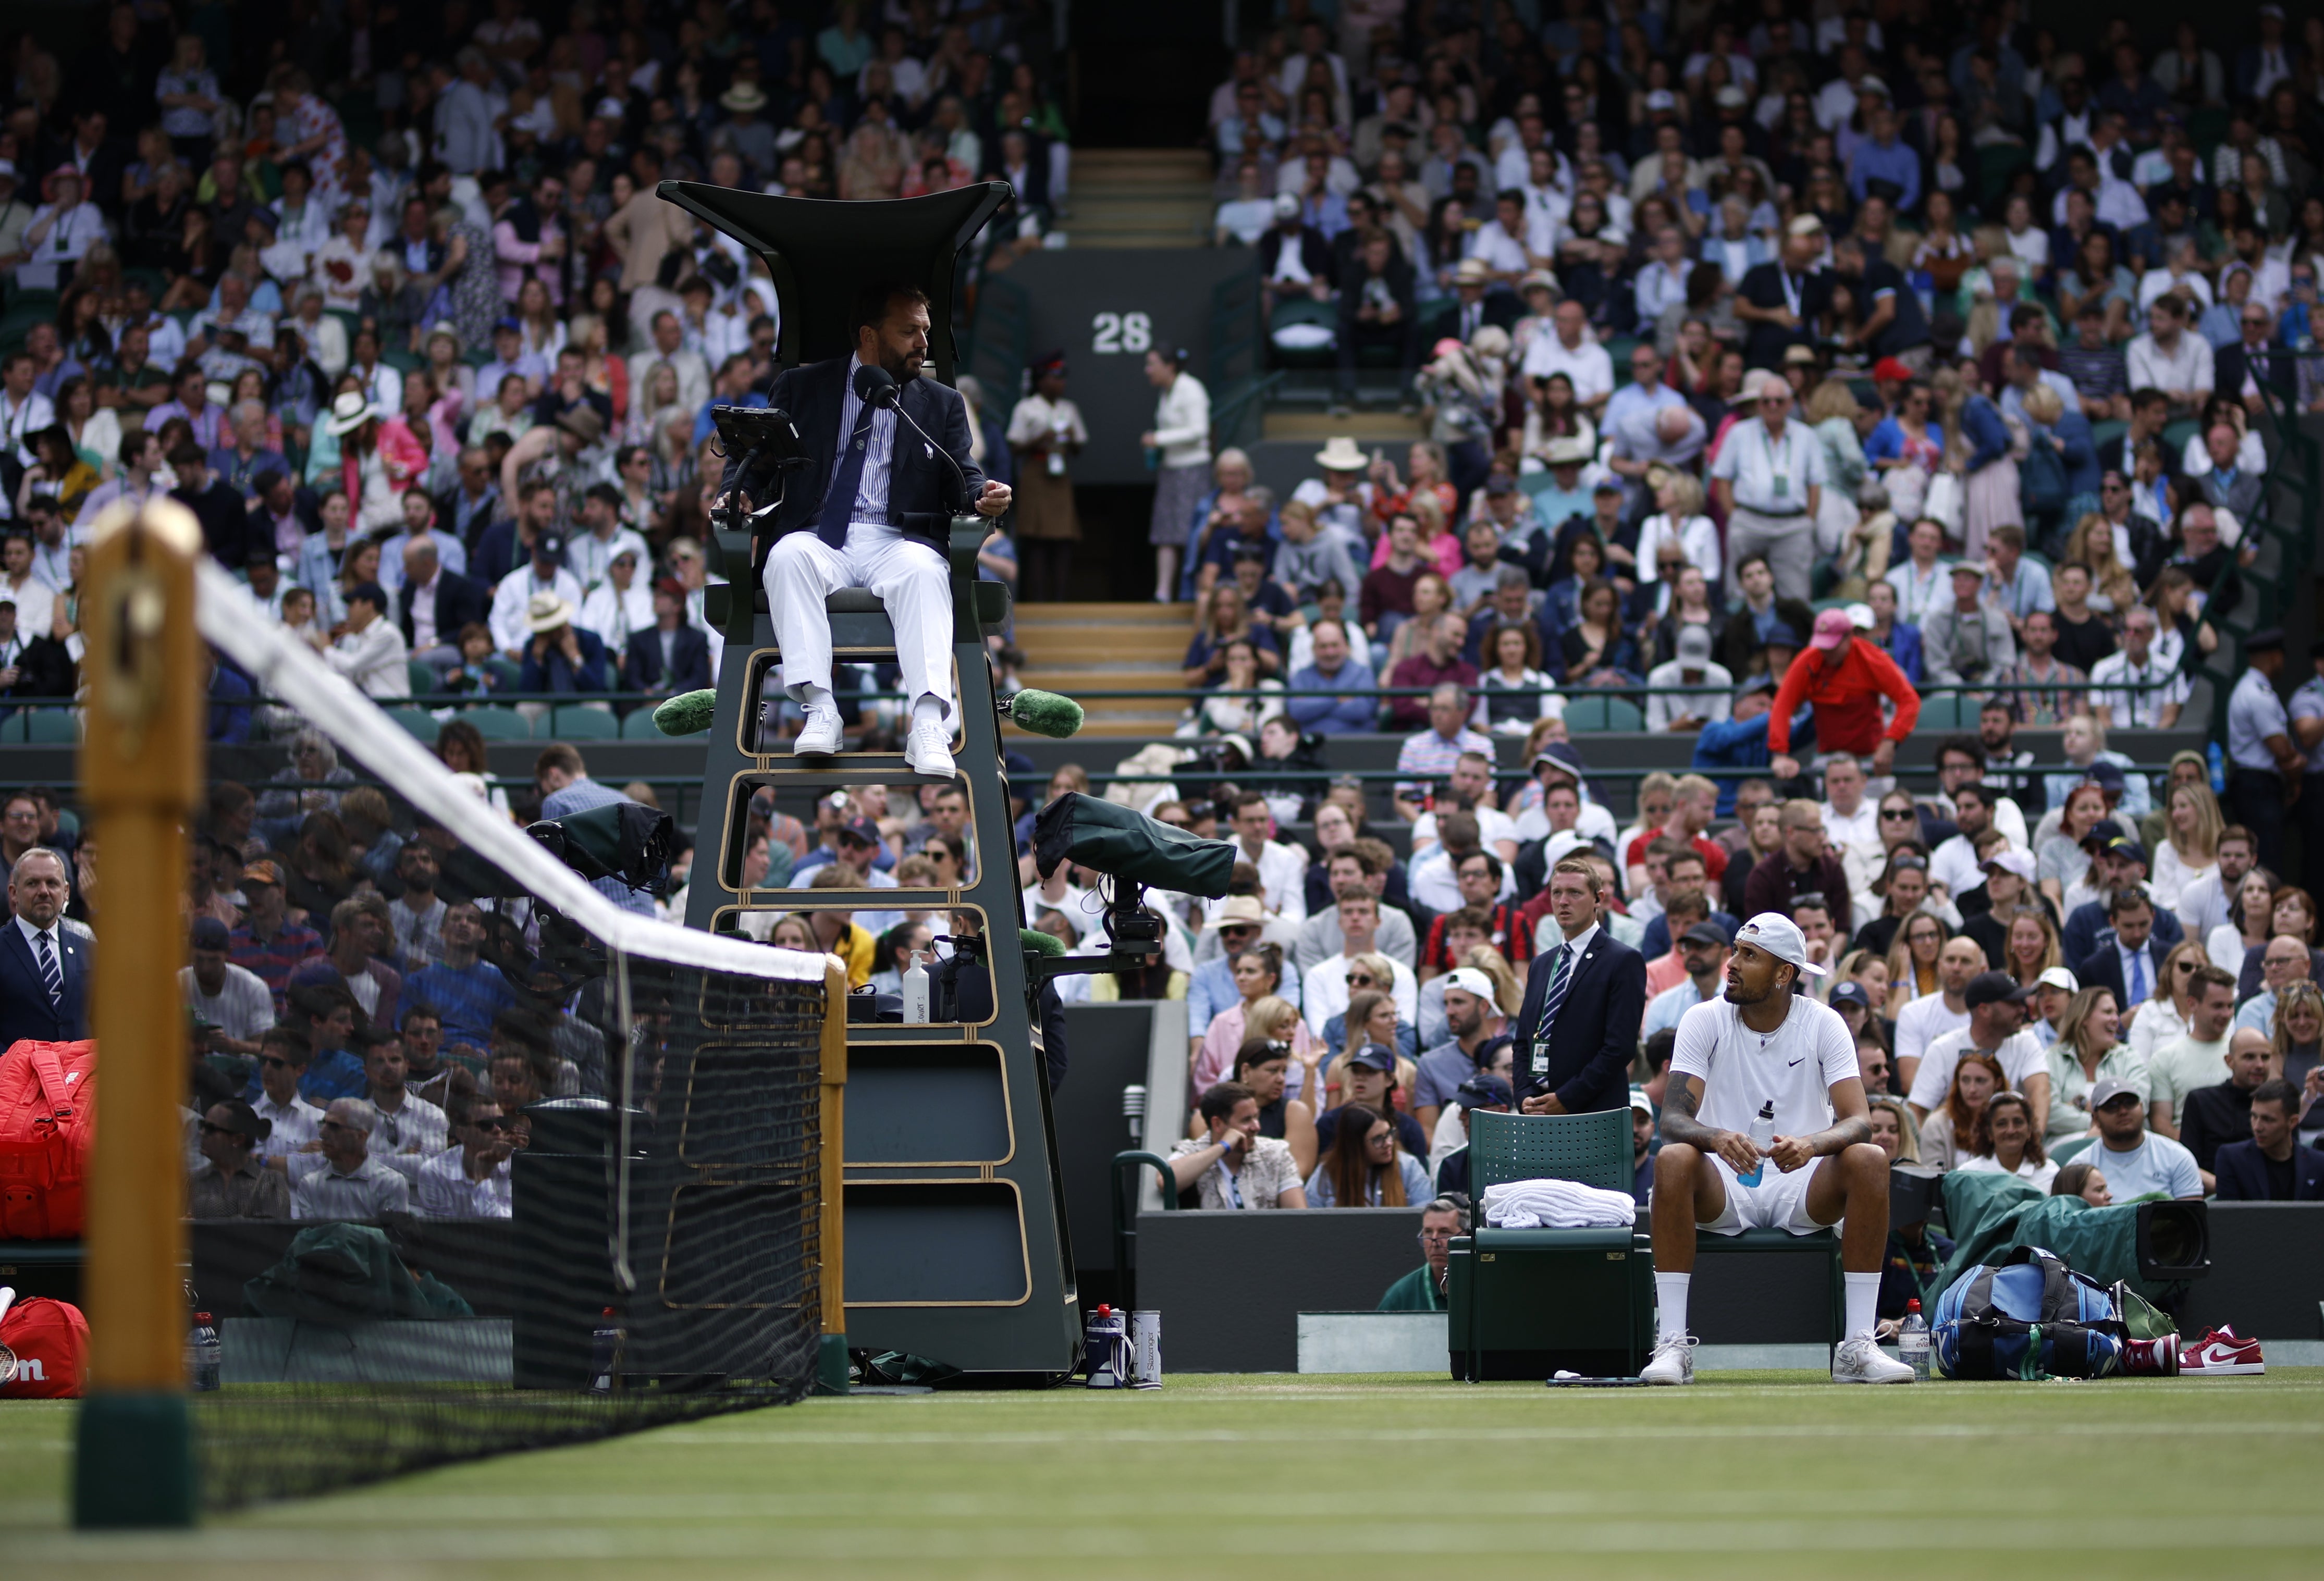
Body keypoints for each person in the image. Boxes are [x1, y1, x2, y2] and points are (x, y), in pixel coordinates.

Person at [754, 281, 1012, 779]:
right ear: (869, 336)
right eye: (909, 331)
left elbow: (963, 472)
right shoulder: (802, 388)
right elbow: (757, 463)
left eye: (926, 331)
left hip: (896, 541)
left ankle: (928, 722)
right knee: (786, 556)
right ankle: (820, 708)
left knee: (924, 571)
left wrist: (983, 496)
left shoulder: (941, 402)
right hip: (821, 534)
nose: (923, 343)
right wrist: (738, 493)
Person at [1643, 912, 1913, 1385]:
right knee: (1672, 1159)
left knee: (1870, 1160)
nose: (1732, 964)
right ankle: (1671, 1345)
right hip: (1723, 1183)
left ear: (1784, 973)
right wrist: (1717, 1138)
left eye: (1749, 956)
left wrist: (1811, 1144)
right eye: (1735, 951)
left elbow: (1859, 1122)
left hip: (1804, 1184)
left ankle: (1856, 1347)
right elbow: (1671, 1122)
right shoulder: (1702, 1019)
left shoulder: (1824, 1023)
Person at [1510, 856, 1647, 1118]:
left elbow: (1620, 1048)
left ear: (1598, 899)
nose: (1563, 901)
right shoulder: (1541, 964)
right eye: (1557, 893)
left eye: (1574, 893)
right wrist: (1524, 1095)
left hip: (1594, 1114)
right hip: (1538, 1112)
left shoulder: (1622, 960)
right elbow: (1523, 1041)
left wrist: (1567, 1098)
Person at [1709, 372, 1827, 601]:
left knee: (1795, 595)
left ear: (1790, 403)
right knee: (1740, 593)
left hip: (1792, 526)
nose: (1773, 406)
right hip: (1749, 521)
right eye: (1766, 401)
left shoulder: (1807, 436)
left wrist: (1807, 522)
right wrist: (1734, 516)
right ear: (1758, 403)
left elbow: (1815, 484)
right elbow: (1722, 478)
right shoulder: (1739, 433)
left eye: (1779, 401)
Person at [1766, 610, 1920, 782]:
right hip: (1827, 758)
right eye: (1822, 646)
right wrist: (1779, 754)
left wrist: (1891, 741)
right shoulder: (1809, 660)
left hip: (1870, 759)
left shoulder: (1872, 659)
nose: (1826, 652)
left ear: (1849, 637)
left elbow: (1910, 700)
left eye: (1832, 646)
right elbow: (1782, 705)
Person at [1907, 971, 2048, 1129]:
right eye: (2013, 1003)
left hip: (2010, 1144)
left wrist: (2033, 1141)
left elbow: (2040, 1091)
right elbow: (1917, 1112)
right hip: (1955, 1146)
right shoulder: (1942, 1049)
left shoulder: (2026, 1041)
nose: (2022, 1010)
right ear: (1984, 1010)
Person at [2225, 629, 2300, 873]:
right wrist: (2296, 767)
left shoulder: (2250, 688)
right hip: (2258, 787)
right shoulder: (2257, 694)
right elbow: (2281, 750)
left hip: (2255, 785)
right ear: (2274, 657)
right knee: (2267, 860)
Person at [1167, 1080, 1307, 1209]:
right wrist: (1223, 1147)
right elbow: (1166, 1181)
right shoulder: (1192, 1151)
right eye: (1247, 1120)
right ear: (1218, 1124)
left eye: (1256, 1117)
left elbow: (1298, 1217)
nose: (1257, 1127)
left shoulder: (1276, 1153)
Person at [0, 847, 90, 1047]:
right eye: (33, 883)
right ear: (14, 893)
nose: (43, 891)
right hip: (16, 1076)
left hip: (80, 1074)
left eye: (52, 883)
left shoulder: (89, 951)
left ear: (66, 892)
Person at [2145, 966, 2237, 1140]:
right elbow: (2160, 1122)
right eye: (2218, 1006)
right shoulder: (2165, 1059)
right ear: (2192, 1004)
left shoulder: (2244, 1053)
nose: (2226, 1014)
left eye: (2230, 1006)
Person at [2078, 1077, 2204, 1200]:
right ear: (2096, 1119)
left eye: (2130, 1102)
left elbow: (2191, 1217)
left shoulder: (2177, 1156)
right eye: (2111, 1106)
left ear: (2142, 1107)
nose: (2123, 1111)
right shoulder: (2080, 1167)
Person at [289, 1097, 414, 1219]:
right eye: (323, 1123)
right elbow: (309, 1238)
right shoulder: (309, 1185)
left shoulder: (390, 1184)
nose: (322, 1133)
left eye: (334, 1126)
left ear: (361, 1136)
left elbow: (393, 1238)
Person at [2178, 1029, 2276, 1176]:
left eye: (2265, 1057)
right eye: (2249, 1057)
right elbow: (2188, 1165)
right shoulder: (2201, 1102)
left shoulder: (2280, 1103)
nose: (2260, 1065)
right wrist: (2225, 1188)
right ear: (2229, 1061)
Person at [2211, 1079, 2324, 1200]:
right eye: (2254, 1116)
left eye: (2268, 1119)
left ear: (2292, 1122)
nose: (2257, 1127)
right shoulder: (2232, 1159)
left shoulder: (2318, 1164)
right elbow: (2229, 1216)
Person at [1306, 1099, 1431, 1207]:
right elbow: (1312, 1223)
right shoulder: (1327, 1173)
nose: (1388, 1143)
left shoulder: (1409, 1167)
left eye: (1390, 1134)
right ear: (1355, 1145)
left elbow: (1424, 1217)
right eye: (1378, 1139)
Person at [415, 1095, 517, 1218]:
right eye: (486, 1125)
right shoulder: (434, 1172)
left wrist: (482, 1179)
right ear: (462, 1134)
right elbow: (444, 1233)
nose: (497, 1130)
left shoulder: (518, 1165)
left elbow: (508, 1228)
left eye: (502, 1123)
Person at [190, 1099, 292, 1220]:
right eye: (202, 1125)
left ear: (238, 1139)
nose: (202, 1133)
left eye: (210, 1129)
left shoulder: (270, 1183)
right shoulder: (190, 1182)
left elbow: (271, 1234)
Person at [1377, 1197, 1469, 1312]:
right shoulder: (1400, 1297)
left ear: (1468, 1236)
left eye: (1445, 1232)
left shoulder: (1486, 1286)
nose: (1434, 1241)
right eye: (1429, 1232)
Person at [1955, 1090, 2057, 1190]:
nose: (2011, 1131)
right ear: (1990, 1133)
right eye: (2002, 1124)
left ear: (2030, 1130)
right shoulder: (1969, 1174)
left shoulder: (2050, 1173)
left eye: (2018, 1122)